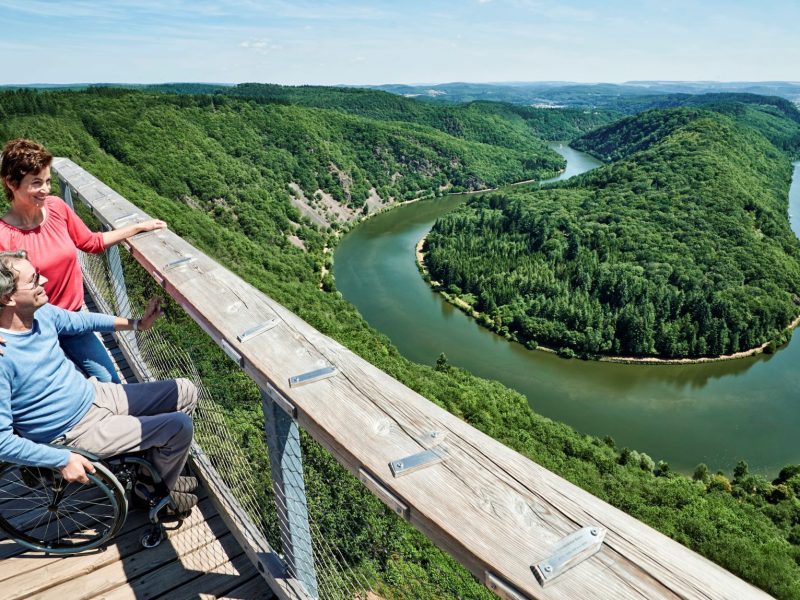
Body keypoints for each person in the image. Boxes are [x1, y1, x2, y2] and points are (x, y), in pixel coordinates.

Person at [0, 250, 198, 513]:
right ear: (7, 298)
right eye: (34, 280)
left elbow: (83, 321)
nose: (45, 280)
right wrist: (62, 458)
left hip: (94, 394)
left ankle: (152, 474)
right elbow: (3, 442)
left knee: (184, 390)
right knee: (179, 426)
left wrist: (138, 324)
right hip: (72, 431)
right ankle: (150, 493)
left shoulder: (41, 314)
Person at [0, 138, 167, 383]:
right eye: (36, 183)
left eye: (48, 181)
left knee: (111, 382)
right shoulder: (3, 237)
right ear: (11, 183)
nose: (46, 190)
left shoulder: (57, 208)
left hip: (75, 320)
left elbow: (90, 242)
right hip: (33, 330)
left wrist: (137, 227)